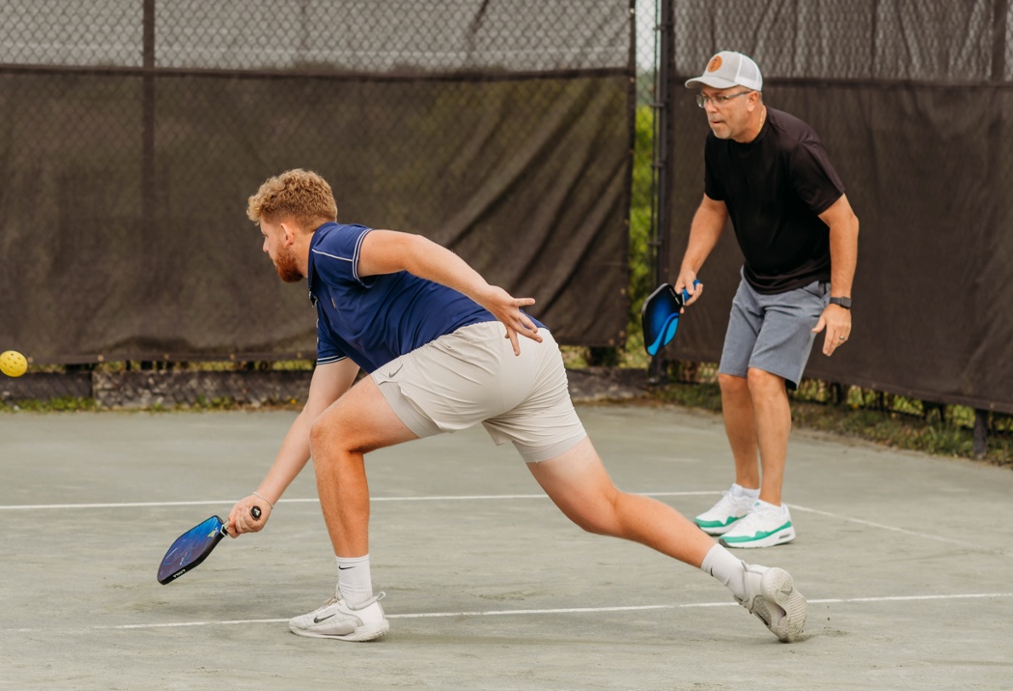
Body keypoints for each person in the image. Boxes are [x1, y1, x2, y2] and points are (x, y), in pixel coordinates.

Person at [225, 168, 807, 643]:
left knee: (337, 436)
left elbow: (410, 248)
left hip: (480, 345)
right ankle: (745, 578)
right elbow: (313, 414)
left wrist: (483, 292)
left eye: (264, 236)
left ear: (288, 230)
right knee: (600, 507)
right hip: (527, 352)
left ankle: (355, 605)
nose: (264, 247)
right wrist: (264, 496)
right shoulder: (331, 312)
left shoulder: (329, 246)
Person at [675, 51, 860, 548]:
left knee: (762, 378)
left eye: (721, 98)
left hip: (804, 286)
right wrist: (690, 266)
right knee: (731, 380)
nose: (711, 109)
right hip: (754, 282)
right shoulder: (719, 145)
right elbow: (713, 208)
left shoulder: (796, 147)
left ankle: (774, 511)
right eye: (705, 100)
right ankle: (743, 493)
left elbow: (845, 221)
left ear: (752, 99)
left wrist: (839, 303)